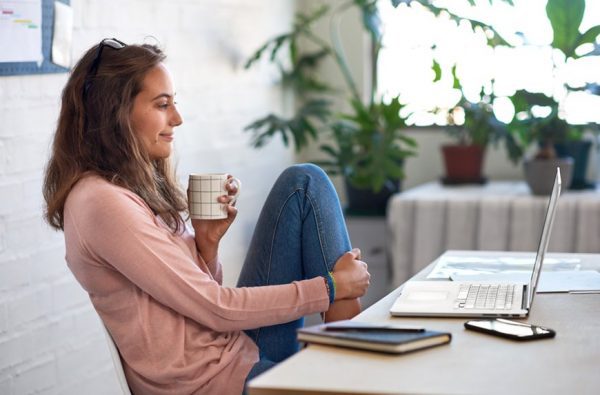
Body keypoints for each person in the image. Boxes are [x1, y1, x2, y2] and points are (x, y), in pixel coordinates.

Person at [43, 38, 370, 395]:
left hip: (235, 356)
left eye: (174, 104)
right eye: (162, 104)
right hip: (212, 385)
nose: (177, 119)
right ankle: (353, 372)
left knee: (303, 184)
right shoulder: (101, 203)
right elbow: (215, 309)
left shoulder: (129, 188)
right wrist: (331, 287)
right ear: (115, 114)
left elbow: (198, 300)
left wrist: (206, 246)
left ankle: (351, 371)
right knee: (305, 186)